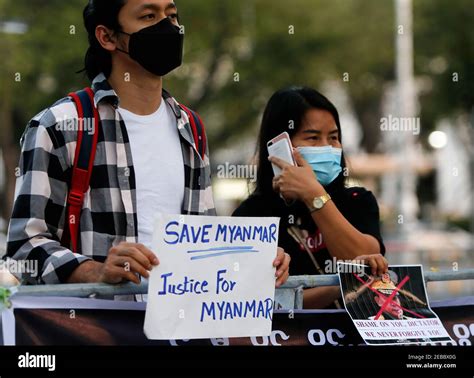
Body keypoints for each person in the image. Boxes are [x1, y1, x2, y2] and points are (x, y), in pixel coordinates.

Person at [6, 0, 290, 288]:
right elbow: (24, 249)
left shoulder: (191, 128)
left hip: (179, 327)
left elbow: (204, 242)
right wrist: (96, 272)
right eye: (149, 16)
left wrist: (255, 258)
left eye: (171, 15)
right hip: (94, 328)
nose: (167, 27)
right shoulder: (60, 125)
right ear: (107, 37)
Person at [233, 86, 387, 308]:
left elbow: (364, 259)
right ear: (279, 148)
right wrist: (340, 287)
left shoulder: (357, 200)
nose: (327, 146)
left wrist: (314, 195)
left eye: (333, 137)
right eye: (313, 138)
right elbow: (263, 304)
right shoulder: (252, 214)